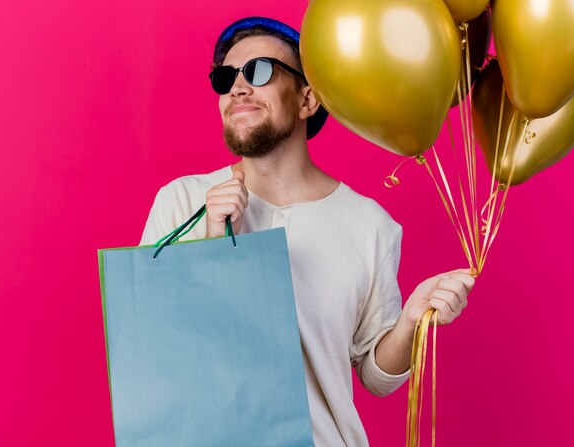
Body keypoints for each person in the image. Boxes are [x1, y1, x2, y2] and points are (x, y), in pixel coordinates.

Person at [139, 17, 475, 447]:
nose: (237, 88)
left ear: (307, 99)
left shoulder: (369, 224)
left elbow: (375, 377)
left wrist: (412, 320)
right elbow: (152, 347)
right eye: (226, 78)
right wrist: (211, 248)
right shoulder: (182, 203)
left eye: (258, 71)